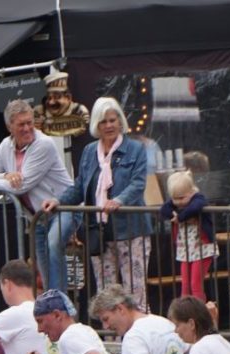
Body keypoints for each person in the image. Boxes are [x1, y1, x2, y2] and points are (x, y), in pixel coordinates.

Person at [41, 97, 150, 307]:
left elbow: (138, 184)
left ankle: (139, 334)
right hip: (98, 232)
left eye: (112, 120)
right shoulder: (90, 152)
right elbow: (81, 186)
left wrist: (118, 200)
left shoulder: (135, 149)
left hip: (132, 230)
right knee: (105, 293)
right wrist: (58, 200)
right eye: (103, 121)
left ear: (120, 121)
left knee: (135, 291)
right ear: (96, 126)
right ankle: (111, 336)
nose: (109, 125)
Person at [0, 99, 73, 286]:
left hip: (63, 207)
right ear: (9, 127)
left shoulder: (44, 144)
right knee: (44, 268)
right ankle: (54, 304)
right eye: (21, 124)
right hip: (38, 216)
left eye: (30, 123)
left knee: (53, 244)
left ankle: (63, 306)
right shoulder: (5, 146)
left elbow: (20, 185)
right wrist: (7, 175)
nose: (27, 128)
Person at [159, 170, 217, 300]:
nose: (178, 202)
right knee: (185, 285)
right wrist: (174, 215)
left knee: (195, 284)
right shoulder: (176, 202)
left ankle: (199, 314)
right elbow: (164, 209)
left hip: (202, 248)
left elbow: (196, 207)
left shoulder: (198, 198)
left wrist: (180, 217)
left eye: (181, 198)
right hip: (186, 250)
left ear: (191, 192)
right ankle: (184, 313)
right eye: (174, 198)